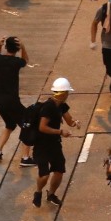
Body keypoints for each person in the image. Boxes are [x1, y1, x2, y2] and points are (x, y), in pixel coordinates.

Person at [33, 77, 81, 207]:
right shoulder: (48, 107)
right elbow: (42, 127)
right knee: (44, 175)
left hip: (54, 144)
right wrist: (60, 132)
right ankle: (38, 192)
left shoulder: (62, 105)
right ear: (63, 93)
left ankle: (51, 194)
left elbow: (69, 120)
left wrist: (75, 123)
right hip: (41, 145)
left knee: (59, 170)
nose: (68, 94)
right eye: (67, 92)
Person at [0, 36, 34, 166]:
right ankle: (25, 158)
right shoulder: (16, 62)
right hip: (12, 101)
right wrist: (23, 47)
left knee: (10, 125)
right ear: (17, 49)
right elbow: (26, 60)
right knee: (28, 124)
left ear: (6, 47)